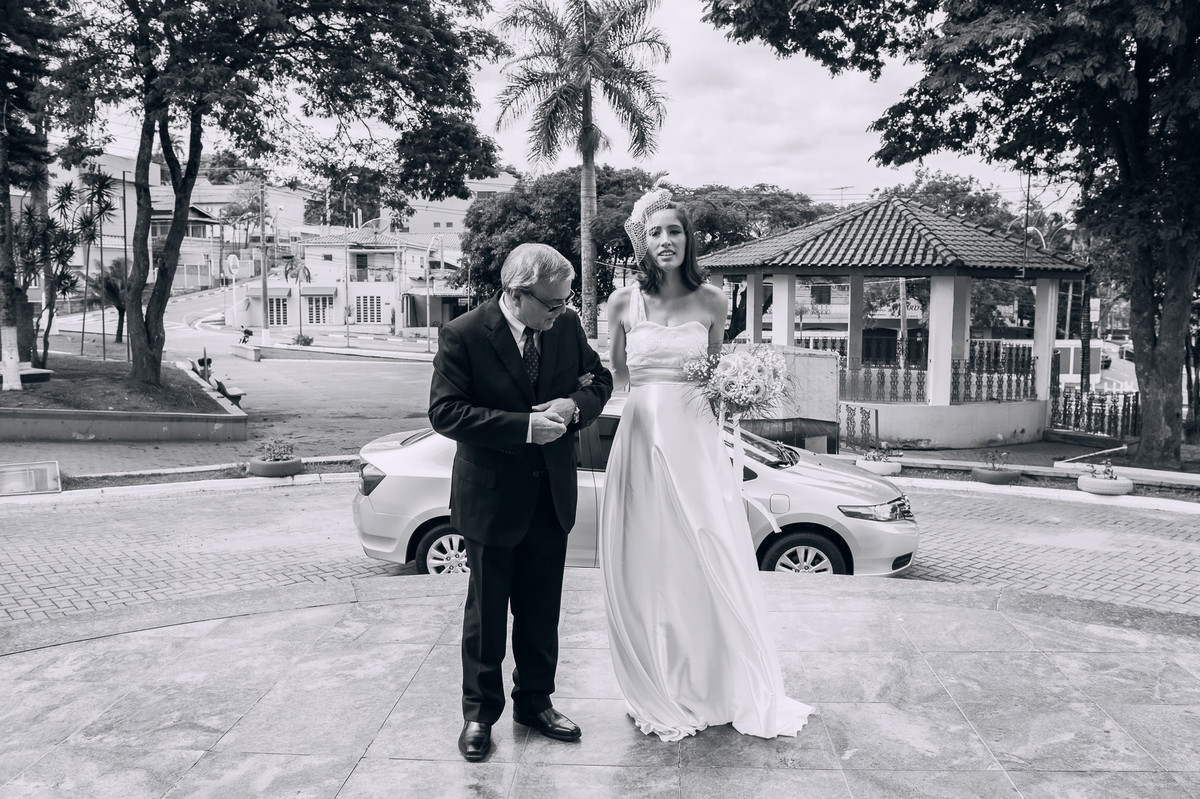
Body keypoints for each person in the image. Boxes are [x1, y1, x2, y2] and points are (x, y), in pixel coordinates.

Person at [599, 187, 814, 742]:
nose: (665, 241)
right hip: (640, 440)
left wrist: (742, 394)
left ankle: (719, 678)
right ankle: (661, 679)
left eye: (675, 231)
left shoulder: (715, 301)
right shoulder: (623, 303)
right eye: (655, 233)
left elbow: (715, 381)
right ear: (642, 243)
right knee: (649, 559)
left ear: (689, 240)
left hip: (695, 443)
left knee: (707, 548)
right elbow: (615, 377)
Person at [428, 243, 613, 762]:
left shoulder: (567, 325)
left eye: (565, 301)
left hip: (550, 495)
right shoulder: (463, 333)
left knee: (540, 613)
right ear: (516, 293)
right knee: (486, 616)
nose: (561, 311)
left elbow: (601, 381)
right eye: (552, 304)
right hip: (490, 498)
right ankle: (478, 715)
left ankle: (535, 703)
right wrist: (526, 428)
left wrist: (574, 406)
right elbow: (445, 413)